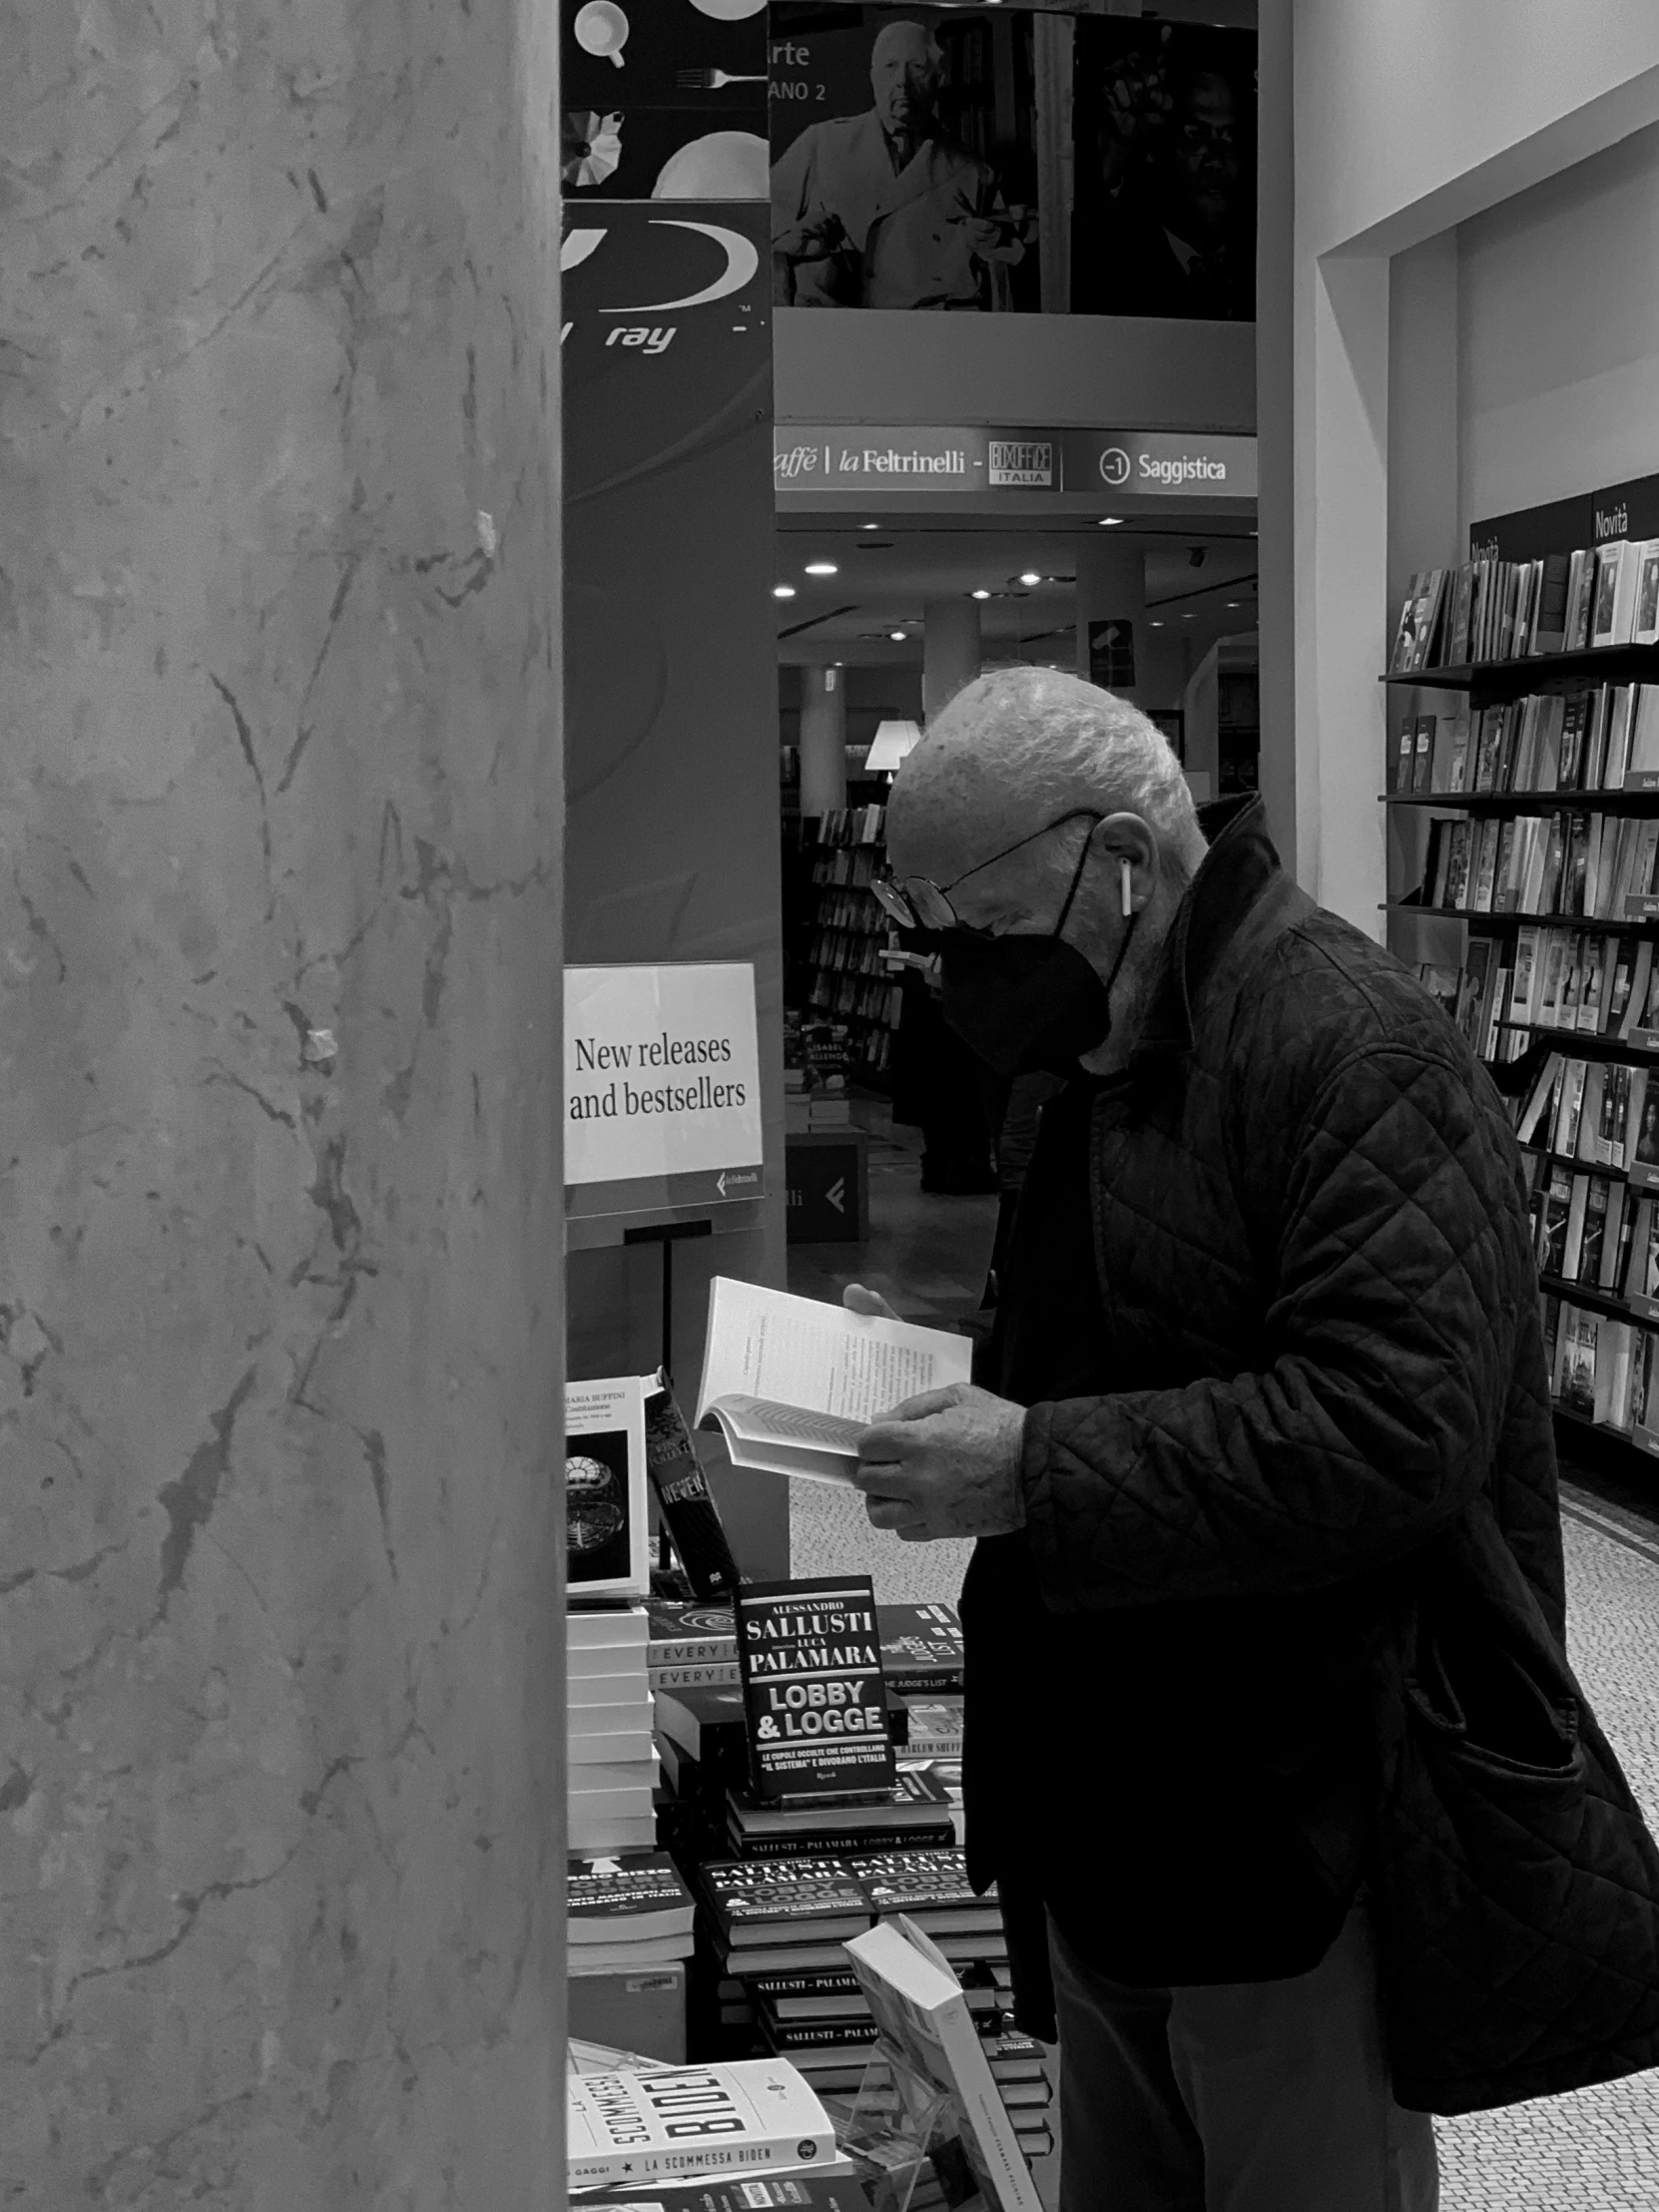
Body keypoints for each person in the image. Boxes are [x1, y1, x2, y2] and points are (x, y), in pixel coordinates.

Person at [848, 665, 1577, 2209]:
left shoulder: (1349, 1049)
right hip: (1109, 1787)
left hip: (1294, 1810)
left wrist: (1029, 1465)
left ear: (1120, 858)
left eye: (975, 922)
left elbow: (1392, 1430)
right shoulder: (1085, 1056)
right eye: (927, 933)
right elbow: (1121, 1342)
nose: (955, 971)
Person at [771, 21, 1028, 310]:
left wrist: (994, 240)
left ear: (938, 78)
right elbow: (750, 231)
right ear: (873, 77)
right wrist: (790, 242)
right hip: (835, 330)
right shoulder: (820, 143)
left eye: (917, 67)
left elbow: (1006, 265)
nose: (902, 82)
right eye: (890, 66)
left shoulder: (973, 172)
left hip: (922, 337)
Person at [1072, 43, 1253, 320]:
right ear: (1159, 141)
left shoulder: (1264, 263)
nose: (1217, 160)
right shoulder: (1118, 266)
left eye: (1232, 136)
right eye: (1196, 133)